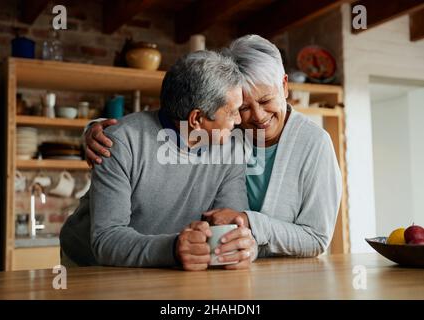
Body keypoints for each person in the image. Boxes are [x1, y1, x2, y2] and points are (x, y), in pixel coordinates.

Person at [85, 35, 342, 258]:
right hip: (118, 264)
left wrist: (248, 229)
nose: (252, 116)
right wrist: (99, 130)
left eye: (266, 100)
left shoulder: (312, 144)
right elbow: (175, 115)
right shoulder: (228, 133)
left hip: (266, 272)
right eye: (240, 108)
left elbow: (316, 239)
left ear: (284, 86)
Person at [59, 50, 257, 270]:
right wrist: (172, 249)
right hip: (90, 264)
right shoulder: (121, 142)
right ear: (197, 119)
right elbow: (106, 240)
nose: (239, 120)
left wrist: (244, 246)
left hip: (165, 264)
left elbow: (232, 226)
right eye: (232, 112)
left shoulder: (230, 151)